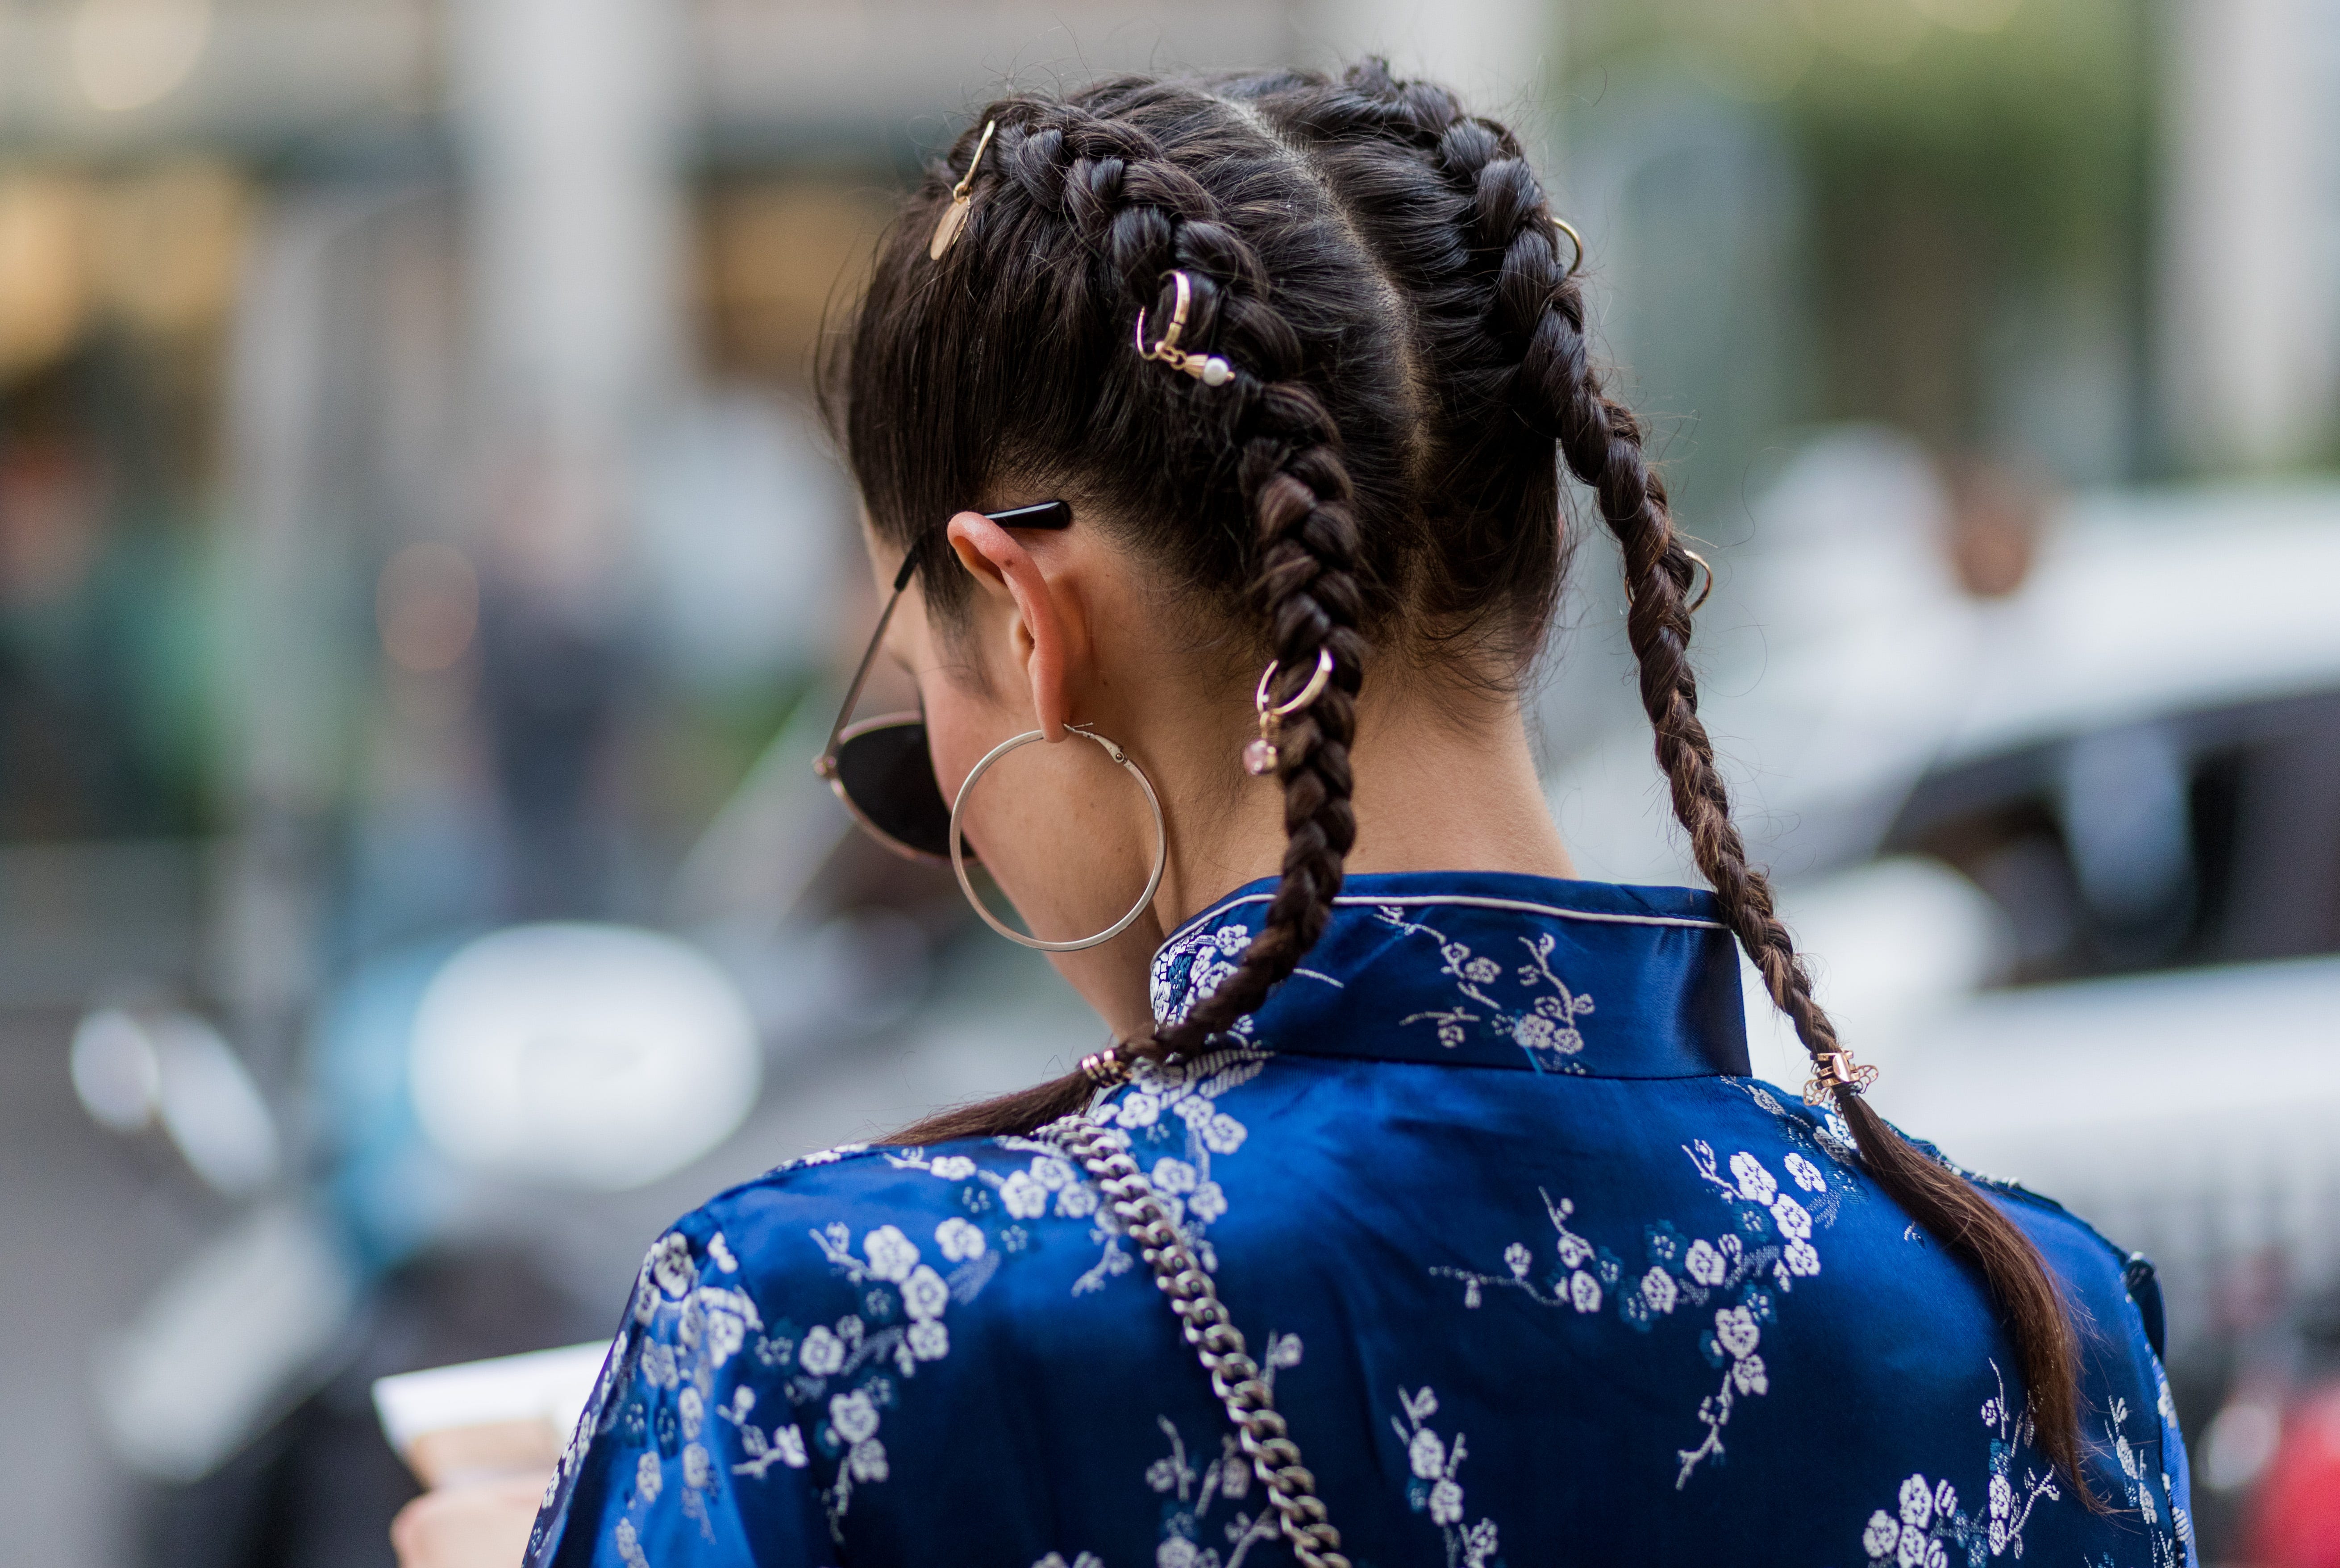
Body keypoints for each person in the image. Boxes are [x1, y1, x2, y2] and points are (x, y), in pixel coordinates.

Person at [401, 60, 2193, 1568]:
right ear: (1544, 557)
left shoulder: (824, 1345)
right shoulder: (2037, 1335)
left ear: (1032, 628)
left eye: (902, 699)